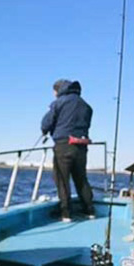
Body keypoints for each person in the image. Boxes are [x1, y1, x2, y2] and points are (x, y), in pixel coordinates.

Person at [41, 79, 95, 222]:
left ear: (58, 90)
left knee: (62, 179)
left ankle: (66, 214)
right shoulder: (86, 106)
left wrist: (46, 130)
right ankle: (90, 211)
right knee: (81, 179)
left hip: (64, 145)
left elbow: (46, 123)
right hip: (82, 147)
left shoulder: (59, 103)